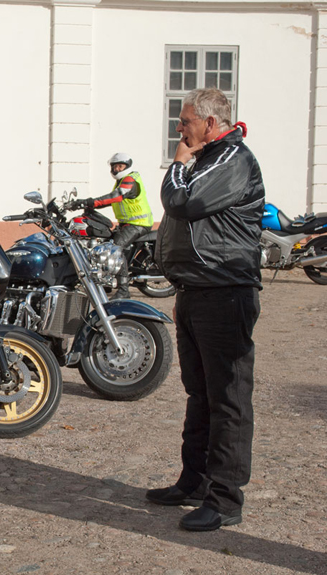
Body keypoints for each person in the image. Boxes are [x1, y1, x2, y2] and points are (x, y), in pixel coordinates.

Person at [150, 88, 264, 531]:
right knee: (200, 393)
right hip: (197, 290)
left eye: (186, 121)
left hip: (226, 291)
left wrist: (178, 162)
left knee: (228, 398)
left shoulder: (231, 159)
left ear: (211, 124)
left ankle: (225, 498)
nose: (180, 129)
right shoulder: (211, 158)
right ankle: (194, 481)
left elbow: (184, 202)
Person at [73, 152, 153, 298]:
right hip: (128, 224)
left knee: (114, 249)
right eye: (114, 166)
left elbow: (115, 197)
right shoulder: (121, 181)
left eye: (120, 166)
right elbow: (110, 200)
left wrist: (90, 201)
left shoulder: (130, 180)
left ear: (127, 166)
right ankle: (105, 282)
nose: (116, 169)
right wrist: (86, 204)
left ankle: (123, 290)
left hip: (138, 224)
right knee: (105, 243)